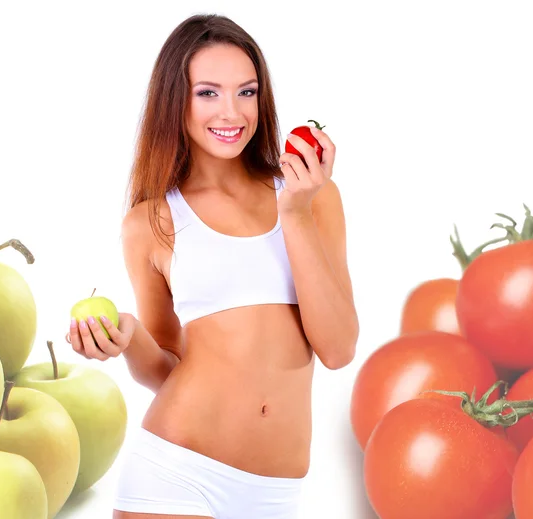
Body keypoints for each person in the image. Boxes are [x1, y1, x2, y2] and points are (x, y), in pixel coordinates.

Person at [66, 13, 358, 519]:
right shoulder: (151, 222)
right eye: (208, 93)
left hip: (276, 494)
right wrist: (131, 335)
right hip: (176, 473)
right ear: (174, 101)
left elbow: (337, 348)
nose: (231, 112)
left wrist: (295, 212)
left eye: (246, 92)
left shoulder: (312, 197)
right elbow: (167, 370)